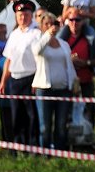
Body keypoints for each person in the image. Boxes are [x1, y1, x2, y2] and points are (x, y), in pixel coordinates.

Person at [31, 10, 77, 152]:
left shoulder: (64, 44)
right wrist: (49, 34)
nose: (51, 26)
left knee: (61, 125)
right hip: (44, 90)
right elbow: (38, 51)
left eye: (54, 23)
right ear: (41, 26)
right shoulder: (38, 42)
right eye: (47, 24)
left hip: (63, 90)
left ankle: (59, 155)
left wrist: (75, 82)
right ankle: (45, 155)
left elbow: (68, 65)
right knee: (45, 127)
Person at [0, 0, 41, 149]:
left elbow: (39, 60)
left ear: (31, 15)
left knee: (32, 115)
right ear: (16, 16)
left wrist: (37, 81)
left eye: (26, 14)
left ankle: (33, 146)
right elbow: (8, 60)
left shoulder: (37, 33)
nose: (23, 17)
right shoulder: (14, 34)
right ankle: (18, 146)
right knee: (16, 115)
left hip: (31, 78)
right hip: (15, 79)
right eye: (20, 15)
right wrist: (4, 81)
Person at [62, 6, 95, 139]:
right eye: (71, 20)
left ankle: (88, 140)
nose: (74, 23)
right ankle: (69, 142)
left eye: (78, 20)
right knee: (66, 113)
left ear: (82, 21)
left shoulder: (90, 39)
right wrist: (69, 61)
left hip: (86, 82)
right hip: (67, 84)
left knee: (89, 111)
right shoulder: (61, 39)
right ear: (67, 21)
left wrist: (86, 62)